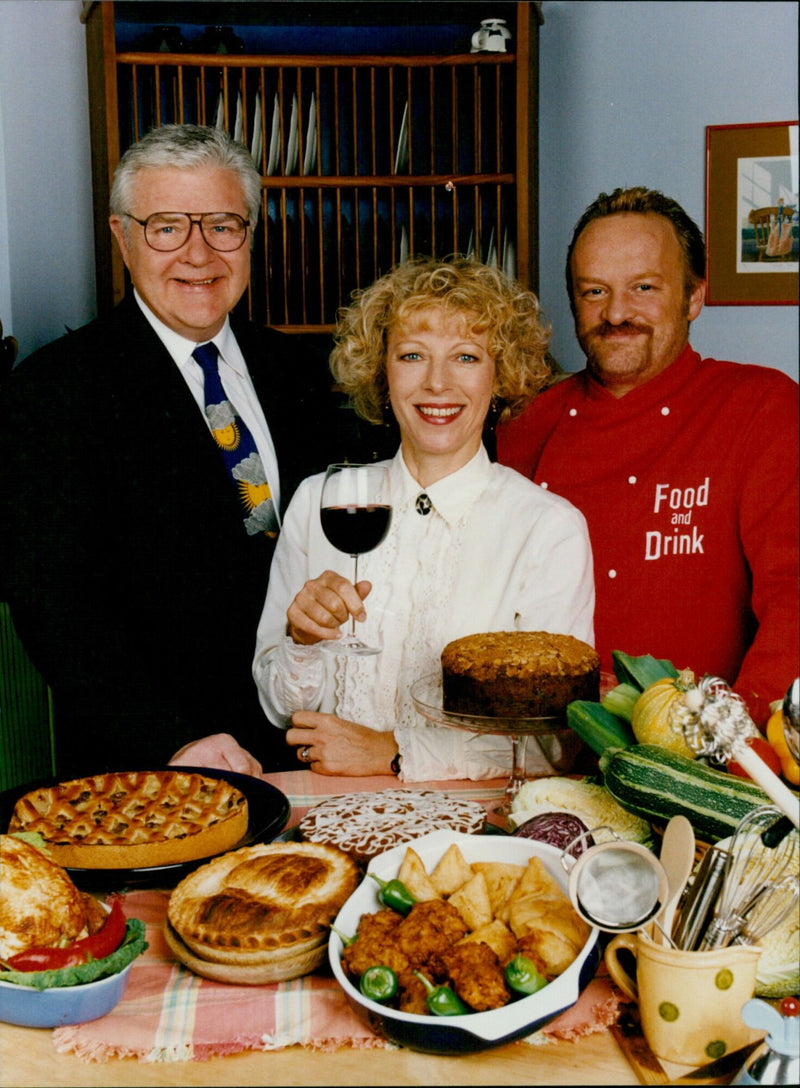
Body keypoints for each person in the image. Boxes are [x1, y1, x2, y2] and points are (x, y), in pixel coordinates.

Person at [0, 124, 333, 778]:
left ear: (250, 235)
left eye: (222, 225)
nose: (198, 253)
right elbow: (56, 608)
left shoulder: (305, 373)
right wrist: (173, 740)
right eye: (167, 226)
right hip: (154, 767)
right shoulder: (53, 392)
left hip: (307, 752)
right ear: (123, 237)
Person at [252, 257, 596, 780]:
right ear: (380, 369)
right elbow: (279, 709)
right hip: (329, 808)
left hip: (477, 823)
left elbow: (556, 744)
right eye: (412, 355)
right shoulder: (318, 500)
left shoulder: (547, 529)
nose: (437, 383)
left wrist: (393, 752)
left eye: (465, 357)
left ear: (500, 374)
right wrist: (301, 641)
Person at [497, 186, 799, 727]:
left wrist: (733, 748)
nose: (616, 313)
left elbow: (795, 602)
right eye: (594, 291)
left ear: (693, 297)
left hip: (701, 759)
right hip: (541, 745)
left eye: (643, 288)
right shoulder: (524, 425)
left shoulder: (761, 407)